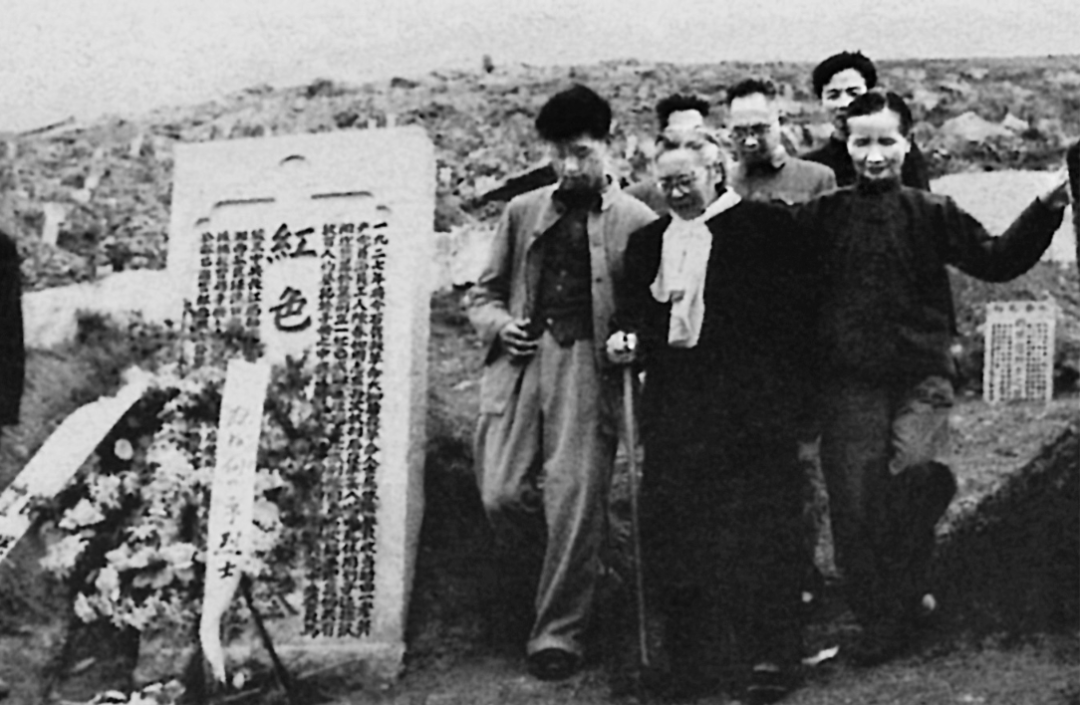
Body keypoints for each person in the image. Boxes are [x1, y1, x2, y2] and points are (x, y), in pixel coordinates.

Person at [794, 90, 1071, 666]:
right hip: (848, 385)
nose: (874, 155)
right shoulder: (821, 216)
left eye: (886, 141)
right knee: (855, 506)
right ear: (846, 145)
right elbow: (770, 271)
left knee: (919, 474)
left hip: (920, 377)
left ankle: (904, 597)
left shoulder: (932, 212)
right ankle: (883, 616)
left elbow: (997, 259)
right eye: (862, 142)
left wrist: (1047, 205)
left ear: (908, 143)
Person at [608, 127, 818, 704]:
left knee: (761, 528)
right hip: (678, 408)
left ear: (716, 173)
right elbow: (635, 313)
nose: (675, 193)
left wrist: (793, 399)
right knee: (679, 530)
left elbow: (797, 316)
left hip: (753, 406)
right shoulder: (648, 243)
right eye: (665, 183)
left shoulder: (765, 228)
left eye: (686, 180)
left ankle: (772, 653)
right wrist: (626, 338)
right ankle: (691, 662)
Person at [467, 84, 657, 681]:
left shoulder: (638, 220)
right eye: (558, 155)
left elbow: (650, 307)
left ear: (608, 144)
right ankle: (580, 579)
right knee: (502, 493)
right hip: (522, 364)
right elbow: (483, 294)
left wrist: (632, 340)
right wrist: (500, 326)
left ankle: (559, 632)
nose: (570, 167)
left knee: (574, 499)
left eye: (581, 153)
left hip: (589, 368)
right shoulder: (521, 212)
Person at [803, 51, 931, 190]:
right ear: (820, 102)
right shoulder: (811, 166)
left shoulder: (899, 154)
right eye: (833, 96)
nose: (844, 103)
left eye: (853, 93)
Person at [726, 78, 836, 203]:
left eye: (759, 130)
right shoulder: (723, 183)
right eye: (739, 133)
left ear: (779, 122)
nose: (750, 142)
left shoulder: (816, 179)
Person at [625, 94, 714, 214]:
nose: (688, 140)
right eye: (679, 133)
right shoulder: (636, 199)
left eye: (696, 131)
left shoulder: (732, 189)